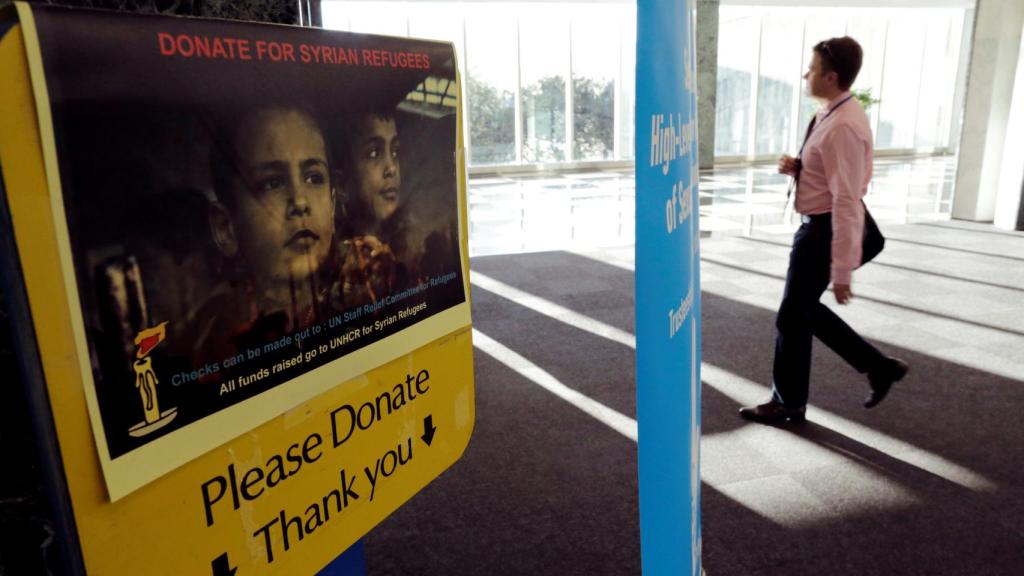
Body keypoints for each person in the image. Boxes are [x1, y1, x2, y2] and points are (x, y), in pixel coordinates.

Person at [739, 36, 908, 424]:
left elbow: (847, 199)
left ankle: (789, 402)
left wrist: (842, 270)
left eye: (812, 69)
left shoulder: (842, 126)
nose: (805, 74)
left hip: (825, 232)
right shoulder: (832, 112)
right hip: (821, 225)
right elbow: (833, 172)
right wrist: (801, 167)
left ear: (831, 76)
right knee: (801, 312)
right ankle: (877, 367)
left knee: (792, 316)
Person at [198, 104, 337, 361]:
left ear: (333, 205)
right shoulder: (218, 346)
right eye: (272, 183)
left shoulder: (361, 296)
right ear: (225, 227)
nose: (300, 201)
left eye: (313, 178)